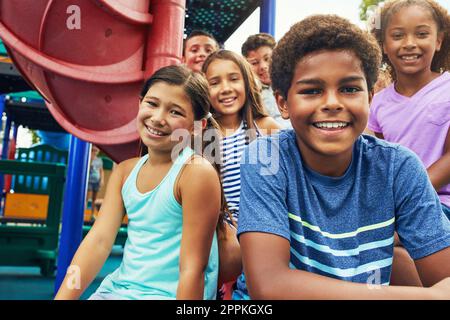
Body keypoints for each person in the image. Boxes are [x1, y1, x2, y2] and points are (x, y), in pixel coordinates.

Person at [235, 14, 450, 299]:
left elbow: (445, 277)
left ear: (370, 98)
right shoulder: (265, 159)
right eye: (312, 91)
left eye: (349, 89)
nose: (332, 103)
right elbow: (269, 285)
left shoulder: (399, 167)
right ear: (283, 103)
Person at [55, 65, 233, 300]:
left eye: (175, 112)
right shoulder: (124, 171)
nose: (158, 118)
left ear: (196, 127)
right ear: (140, 103)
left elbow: (192, 268)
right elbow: (98, 242)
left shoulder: (195, 173)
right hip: (118, 290)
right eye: (152, 103)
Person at [368, 0, 450, 220]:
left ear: (438, 41)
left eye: (422, 34)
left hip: (441, 202)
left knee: (383, 239)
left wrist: (406, 195)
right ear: (384, 45)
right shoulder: (379, 102)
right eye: (397, 36)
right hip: (395, 204)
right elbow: (384, 159)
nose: (410, 43)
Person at [202, 49, 280, 223]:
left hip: (264, 227)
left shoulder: (266, 127)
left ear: (246, 82)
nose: (225, 89)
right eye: (214, 83)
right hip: (222, 235)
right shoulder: (201, 137)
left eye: (234, 79)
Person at [241, 33, 291, 129]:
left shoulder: (290, 83)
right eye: (254, 63)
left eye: (267, 59)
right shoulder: (249, 94)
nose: (263, 66)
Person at [87, 145, 104, 218]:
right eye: (93, 150)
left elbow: (101, 170)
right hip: (89, 181)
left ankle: (92, 214)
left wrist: (102, 180)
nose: (95, 152)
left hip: (96, 181)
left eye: (96, 151)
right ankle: (84, 213)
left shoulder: (99, 160)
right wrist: (91, 158)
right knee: (87, 198)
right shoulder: (88, 158)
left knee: (94, 198)